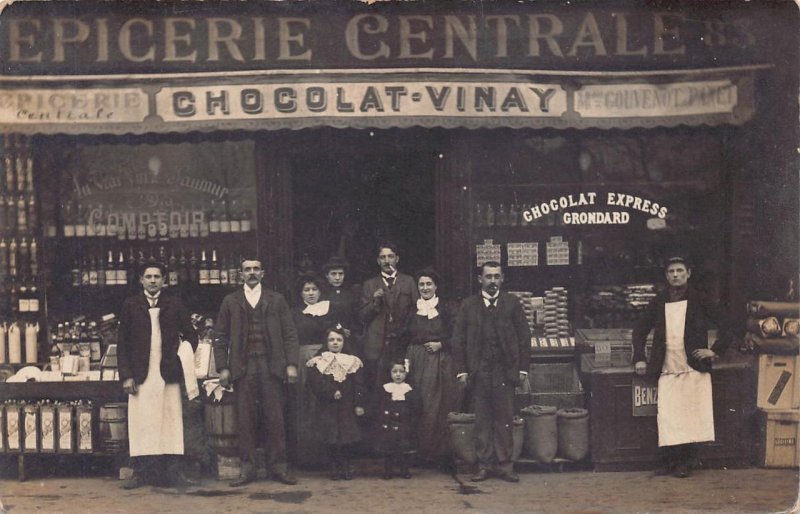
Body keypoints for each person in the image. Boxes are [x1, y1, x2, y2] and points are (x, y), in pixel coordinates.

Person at [632, 256, 733, 478]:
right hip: (667, 368)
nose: (675, 275)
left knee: (690, 416)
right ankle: (670, 463)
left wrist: (715, 351)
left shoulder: (700, 299)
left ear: (689, 273)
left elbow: (727, 322)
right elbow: (640, 329)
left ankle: (685, 463)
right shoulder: (658, 301)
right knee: (668, 416)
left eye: (679, 271)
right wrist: (639, 357)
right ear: (666, 276)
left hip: (693, 368)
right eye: (671, 272)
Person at [213, 258, 300, 487]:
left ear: (263, 272)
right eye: (247, 269)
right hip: (243, 367)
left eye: (255, 269)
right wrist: (223, 367)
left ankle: (278, 467)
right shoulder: (230, 301)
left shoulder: (277, 300)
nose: (251, 273)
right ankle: (247, 469)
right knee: (245, 420)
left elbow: (290, 333)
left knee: (275, 418)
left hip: (272, 366)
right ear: (240, 274)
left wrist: (291, 364)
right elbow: (219, 336)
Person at [117, 261, 198, 489]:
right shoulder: (131, 305)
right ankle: (142, 474)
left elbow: (192, 336)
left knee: (170, 420)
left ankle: (173, 474)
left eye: (157, 276)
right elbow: (122, 343)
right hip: (140, 373)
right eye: (148, 276)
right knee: (142, 422)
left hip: (167, 372)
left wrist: (181, 357)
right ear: (141, 280)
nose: (153, 281)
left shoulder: (175, 304)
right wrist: (126, 376)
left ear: (164, 280)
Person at [452, 261, 531, 483]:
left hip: (505, 372)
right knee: (482, 420)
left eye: (497, 276)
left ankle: (505, 465)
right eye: (488, 277)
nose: (493, 281)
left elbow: (524, 337)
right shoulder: (469, 305)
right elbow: (458, 340)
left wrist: (522, 368)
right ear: (480, 279)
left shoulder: (512, 304)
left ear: (503, 279)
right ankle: (484, 465)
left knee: (504, 419)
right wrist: (462, 371)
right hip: (479, 372)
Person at [402, 269, 461, 471]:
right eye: (422, 285)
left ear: (436, 286)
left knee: (438, 405)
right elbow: (403, 335)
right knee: (418, 404)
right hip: (416, 360)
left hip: (439, 360)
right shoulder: (412, 310)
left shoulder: (446, 309)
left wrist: (440, 345)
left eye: (429, 284)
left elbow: (458, 336)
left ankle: (439, 453)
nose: (425, 288)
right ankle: (420, 452)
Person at [290, 272, 339, 468]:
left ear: (320, 291)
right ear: (301, 293)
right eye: (306, 290)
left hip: (325, 359)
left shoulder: (329, 310)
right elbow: (291, 338)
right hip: (303, 359)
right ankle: (305, 458)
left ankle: (326, 458)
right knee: (305, 404)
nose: (310, 293)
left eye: (314, 290)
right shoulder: (295, 313)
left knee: (325, 405)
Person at [306, 324, 366, 480]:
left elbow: (359, 384)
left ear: (344, 342)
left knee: (347, 437)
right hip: (328, 406)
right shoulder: (319, 361)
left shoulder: (352, 361)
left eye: (339, 340)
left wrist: (359, 403)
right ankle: (334, 467)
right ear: (326, 342)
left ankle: (346, 465)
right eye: (331, 339)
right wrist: (331, 391)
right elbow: (315, 382)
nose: (335, 343)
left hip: (347, 405)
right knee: (331, 436)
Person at [359, 242, 418, 394]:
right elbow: (363, 317)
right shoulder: (370, 284)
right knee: (377, 387)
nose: (386, 261)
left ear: (397, 259)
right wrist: (374, 302)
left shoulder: (409, 282)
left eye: (390, 256)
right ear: (378, 261)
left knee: (404, 385)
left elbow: (416, 311)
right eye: (383, 257)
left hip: (401, 344)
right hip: (378, 346)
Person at [373, 358, 420, 480]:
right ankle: (388, 470)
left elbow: (416, 407)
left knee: (404, 447)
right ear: (389, 373)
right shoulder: (386, 388)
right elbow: (379, 405)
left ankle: (404, 470)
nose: (398, 374)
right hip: (388, 422)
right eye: (394, 371)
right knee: (388, 448)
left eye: (401, 372)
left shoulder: (410, 389)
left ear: (406, 373)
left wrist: (411, 420)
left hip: (404, 423)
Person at [321, 256, 359, 331]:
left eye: (341, 274)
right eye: (333, 274)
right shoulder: (322, 295)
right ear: (327, 275)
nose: (337, 278)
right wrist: (338, 329)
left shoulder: (351, 294)